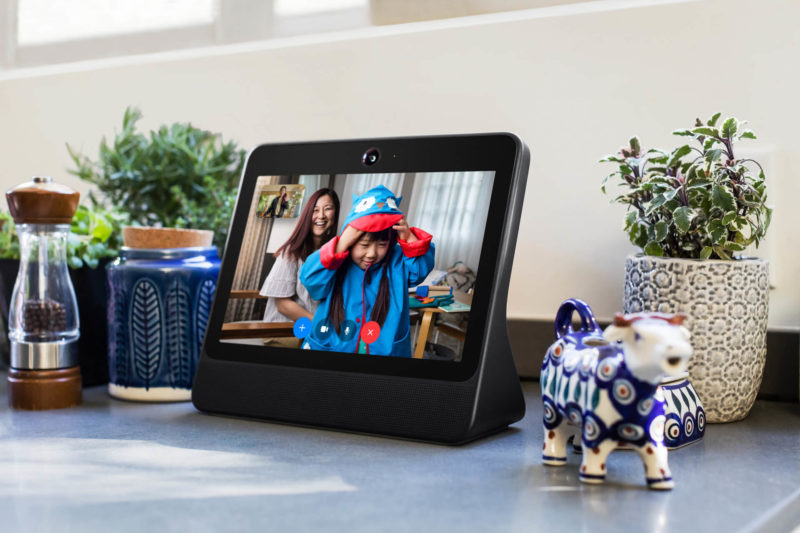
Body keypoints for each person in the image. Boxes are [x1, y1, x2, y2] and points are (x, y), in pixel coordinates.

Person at [299, 185, 435, 357]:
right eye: (364, 245)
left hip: (384, 353)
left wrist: (409, 240)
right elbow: (310, 279)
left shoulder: (397, 262)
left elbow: (420, 269)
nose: (371, 254)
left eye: (382, 245)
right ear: (351, 240)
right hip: (333, 350)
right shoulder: (336, 262)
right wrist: (340, 244)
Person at [259, 188, 340, 326]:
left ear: (335, 213)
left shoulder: (333, 251)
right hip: (284, 328)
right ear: (308, 214)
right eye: (315, 210)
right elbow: (282, 305)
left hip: (313, 327)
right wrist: (321, 326)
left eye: (327, 209)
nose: (321, 215)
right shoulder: (291, 252)